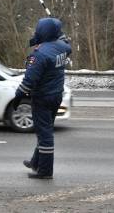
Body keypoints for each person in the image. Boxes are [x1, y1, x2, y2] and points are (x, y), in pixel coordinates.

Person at [13, 17, 72, 179]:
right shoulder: (63, 48)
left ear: (44, 33)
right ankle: (36, 162)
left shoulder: (40, 55)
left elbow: (29, 81)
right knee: (44, 130)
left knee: (45, 135)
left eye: (37, 30)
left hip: (43, 98)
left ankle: (45, 171)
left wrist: (18, 97)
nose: (35, 32)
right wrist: (62, 36)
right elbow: (67, 44)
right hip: (56, 95)